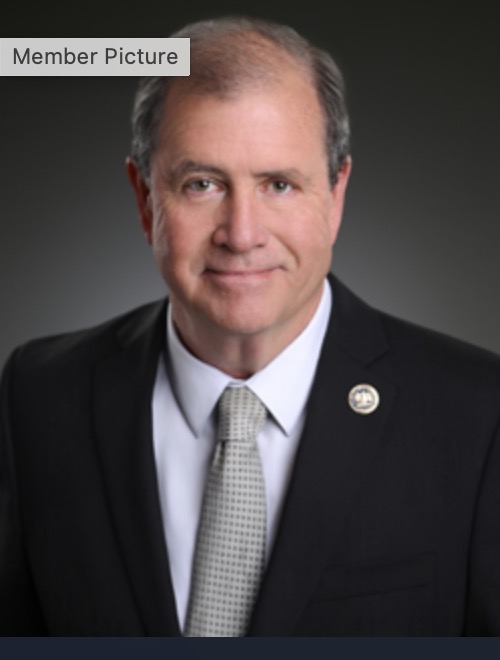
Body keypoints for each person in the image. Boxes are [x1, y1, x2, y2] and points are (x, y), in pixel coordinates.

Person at [1, 15, 500, 637]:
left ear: (336, 195)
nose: (241, 234)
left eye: (279, 185)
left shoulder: (478, 416)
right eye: (202, 184)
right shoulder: (36, 397)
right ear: (144, 197)